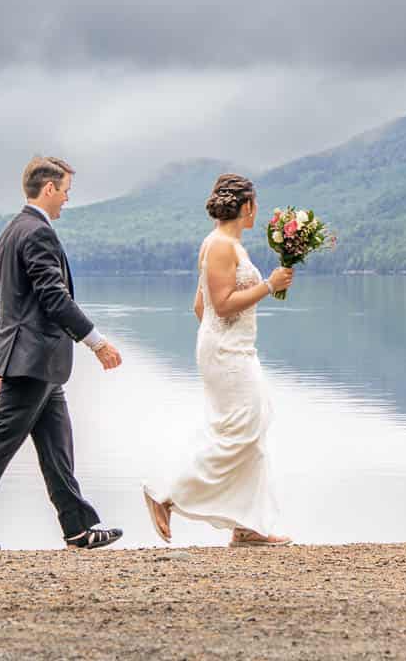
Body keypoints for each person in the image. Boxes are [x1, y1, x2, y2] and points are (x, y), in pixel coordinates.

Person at [0, 156, 125, 551]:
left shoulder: (9, 232)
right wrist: (97, 341)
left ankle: (77, 528)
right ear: (48, 189)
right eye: (65, 192)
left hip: (33, 361)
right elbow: (53, 298)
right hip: (35, 359)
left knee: (57, 446)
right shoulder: (38, 234)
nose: (66, 201)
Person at [143, 173, 295, 547]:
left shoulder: (224, 245)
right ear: (247, 207)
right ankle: (164, 493)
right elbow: (222, 305)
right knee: (239, 431)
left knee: (252, 429)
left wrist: (225, 335)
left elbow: (201, 306)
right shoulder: (222, 246)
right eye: (255, 204)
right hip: (228, 354)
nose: (256, 210)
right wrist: (269, 286)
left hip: (232, 349)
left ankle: (249, 527)